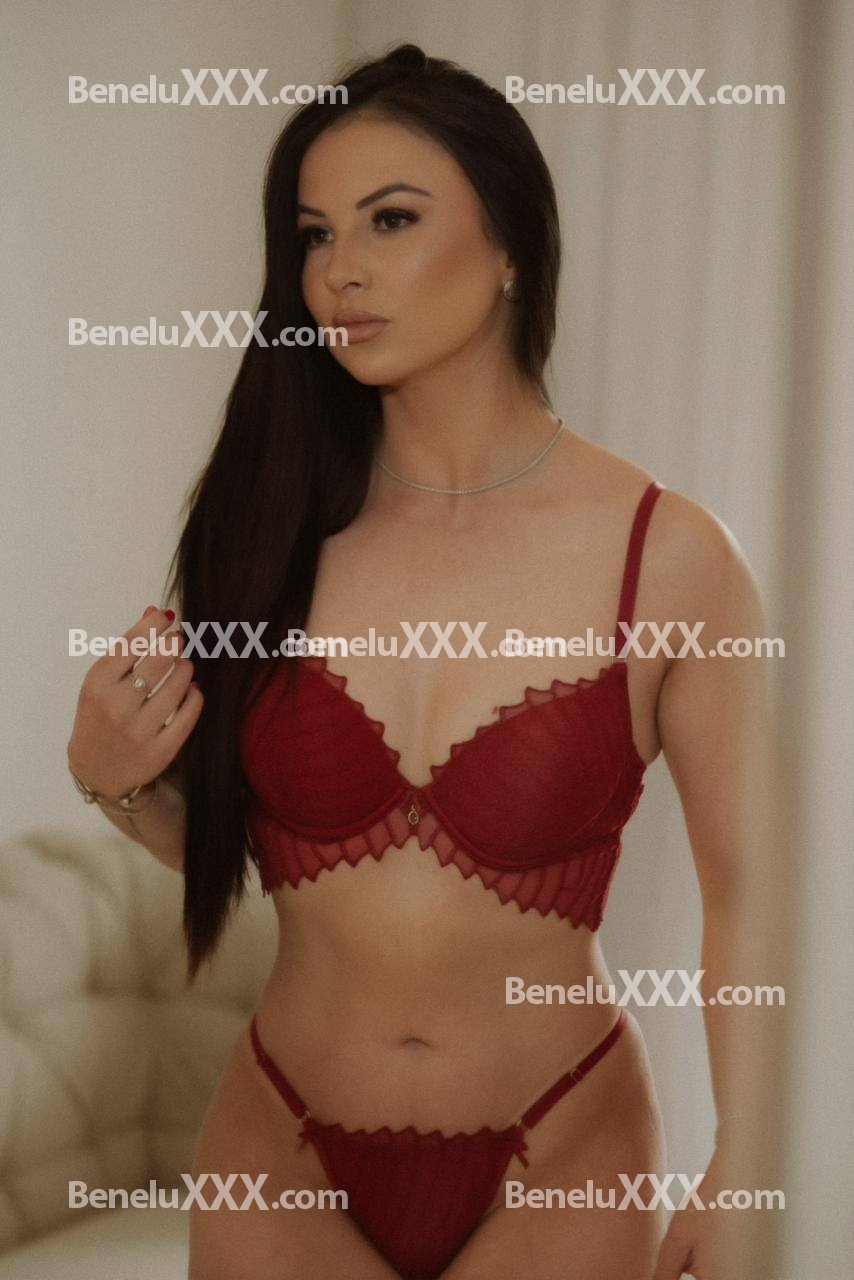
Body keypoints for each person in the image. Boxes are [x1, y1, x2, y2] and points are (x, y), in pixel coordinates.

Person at [67, 43, 774, 1280]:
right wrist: (111, 777)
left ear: (509, 243)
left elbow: (753, 892)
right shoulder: (269, 522)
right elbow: (253, 849)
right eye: (314, 233)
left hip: (564, 1146)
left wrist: (743, 1160)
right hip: (277, 1145)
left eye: (390, 219)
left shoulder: (667, 556)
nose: (337, 268)